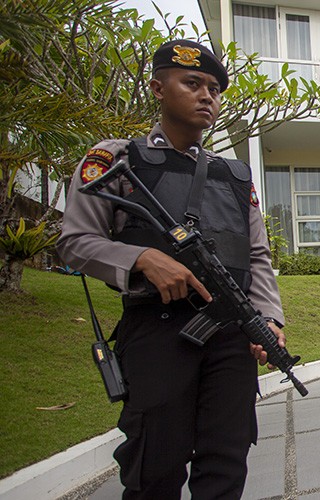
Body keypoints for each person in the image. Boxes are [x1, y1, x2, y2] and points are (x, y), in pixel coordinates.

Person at [57, 40, 286, 499]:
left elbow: (257, 256)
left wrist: (270, 318)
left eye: (215, 89)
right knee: (154, 467)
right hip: (157, 332)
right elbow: (75, 241)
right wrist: (140, 258)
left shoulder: (236, 175)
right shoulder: (116, 159)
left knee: (226, 459)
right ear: (159, 88)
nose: (208, 96)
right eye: (193, 83)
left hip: (230, 336)